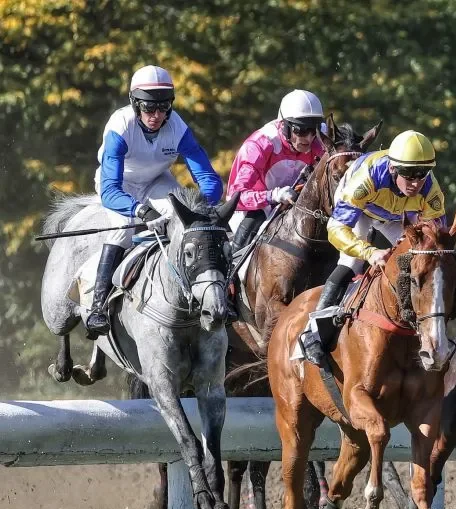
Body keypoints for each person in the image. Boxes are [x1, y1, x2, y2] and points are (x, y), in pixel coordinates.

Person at [85, 65, 223, 339]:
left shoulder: (177, 127)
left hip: (157, 181)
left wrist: (200, 208)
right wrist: (140, 210)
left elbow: (209, 178)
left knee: (181, 218)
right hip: (119, 184)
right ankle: (97, 306)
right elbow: (110, 190)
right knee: (124, 226)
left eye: (163, 108)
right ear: (135, 104)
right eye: (149, 109)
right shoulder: (120, 125)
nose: (157, 116)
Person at [299, 130, 445, 366]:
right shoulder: (367, 178)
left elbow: (434, 241)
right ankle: (312, 334)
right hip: (362, 211)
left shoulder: (430, 189)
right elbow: (336, 229)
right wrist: (369, 251)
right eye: (408, 174)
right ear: (393, 169)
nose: (416, 182)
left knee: (422, 262)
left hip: (399, 216)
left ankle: (427, 332)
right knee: (351, 262)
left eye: (423, 173)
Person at [226, 89, 327, 250]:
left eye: (313, 129)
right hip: (258, 207)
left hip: (297, 203)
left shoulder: (319, 140)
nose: (308, 138)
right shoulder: (259, 145)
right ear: (283, 125)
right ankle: (232, 268)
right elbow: (234, 197)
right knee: (254, 219)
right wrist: (273, 196)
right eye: (300, 130)